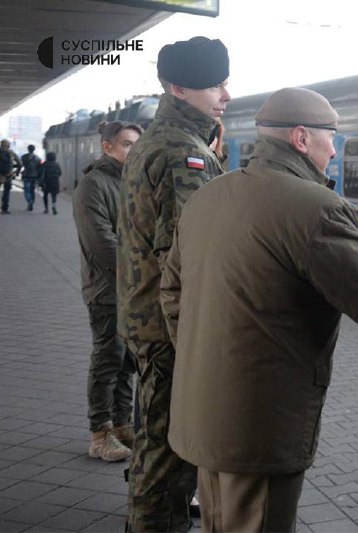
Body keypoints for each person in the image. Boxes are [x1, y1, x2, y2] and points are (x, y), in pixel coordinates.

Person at [160, 87, 358, 532]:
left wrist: (199, 355)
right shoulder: (314, 208)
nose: (336, 150)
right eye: (332, 137)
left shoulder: (209, 195)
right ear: (302, 138)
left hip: (203, 411)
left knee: (219, 524)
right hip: (260, 422)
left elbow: (171, 290)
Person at [116, 36, 230, 532]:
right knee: (168, 450)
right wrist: (199, 336)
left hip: (146, 318)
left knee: (154, 440)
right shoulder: (185, 155)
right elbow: (188, 259)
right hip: (168, 329)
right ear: (180, 87)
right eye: (215, 84)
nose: (226, 93)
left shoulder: (156, 140)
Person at [73, 121, 142, 463]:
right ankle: (100, 433)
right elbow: (101, 243)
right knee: (107, 358)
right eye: (127, 144)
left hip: (133, 289)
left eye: (136, 145)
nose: (133, 151)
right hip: (107, 289)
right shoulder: (93, 184)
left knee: (128, 361)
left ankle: (121, 424)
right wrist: (143, 271)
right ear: (108, 147)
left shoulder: (132, 182)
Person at [0, 139, 22, 214]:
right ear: (8, 146)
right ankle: (4, 209)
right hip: (8, 175)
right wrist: (15, 172)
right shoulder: (11, 153)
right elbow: (20, 164)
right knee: (6, 192)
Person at [20, 145, 41, 211]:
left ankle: (29, 201)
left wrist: (17, 172)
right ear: (34, 149)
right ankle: (31, 202)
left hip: (26, 175)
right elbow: (39, 168)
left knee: (27, 190)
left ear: (28, 149)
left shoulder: (24, 157)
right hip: (34, 176)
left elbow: (20, 165)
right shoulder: (38, 158)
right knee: (32, 190)